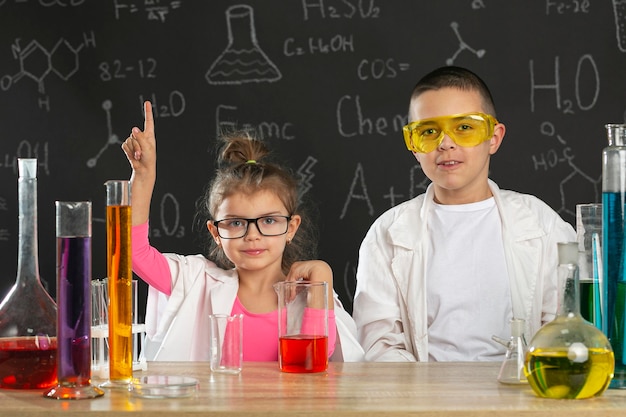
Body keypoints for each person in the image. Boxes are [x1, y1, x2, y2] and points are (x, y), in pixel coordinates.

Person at [352, 66, 576, 362]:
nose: (446, 143)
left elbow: (565, 328)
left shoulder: (543, 226)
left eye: (464, 128)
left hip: (520, 396)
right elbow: (379, 344)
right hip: (425, 400)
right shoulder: (387, 234)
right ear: (413, 145)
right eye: (429, 132)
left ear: (493, 138)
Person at [122, 101, 363, 362]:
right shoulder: (196, 282)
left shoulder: (312, 294)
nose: (252, 235)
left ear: (291, 227)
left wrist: (321, 279)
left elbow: (312, 361)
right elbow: (133, 252)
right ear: (215, 232)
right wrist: (144, 176)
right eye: (236, 223)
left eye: (269, 221)